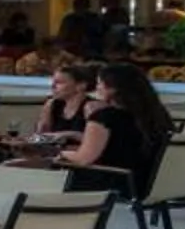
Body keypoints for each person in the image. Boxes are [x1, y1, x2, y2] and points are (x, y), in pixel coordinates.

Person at [17, 61, 166, 193]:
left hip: (110, 181)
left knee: (20, 169)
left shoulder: (104, 117)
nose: (96, 88)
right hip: (145, 183)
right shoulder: (157, 115)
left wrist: (61, 154)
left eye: (99, 83)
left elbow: (83, 159)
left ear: (112, 89)